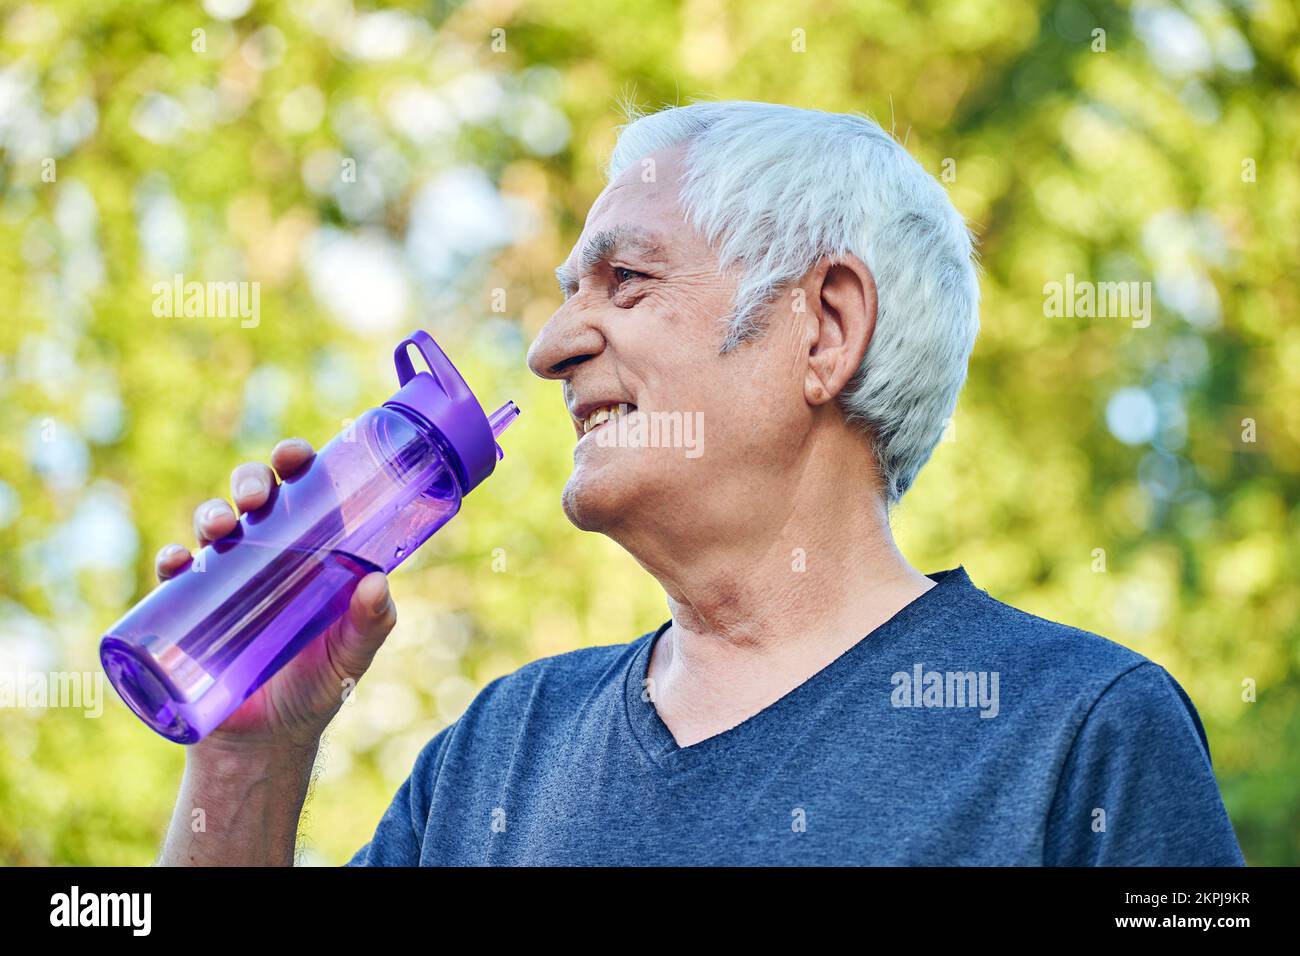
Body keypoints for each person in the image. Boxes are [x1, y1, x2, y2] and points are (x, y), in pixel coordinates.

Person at [157, 102, 1244, 866]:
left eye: (623, 279)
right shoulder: (500, 747)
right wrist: (250, 753)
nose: (548, 345)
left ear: (824, 327)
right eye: (564, 290)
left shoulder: (1078, 731)